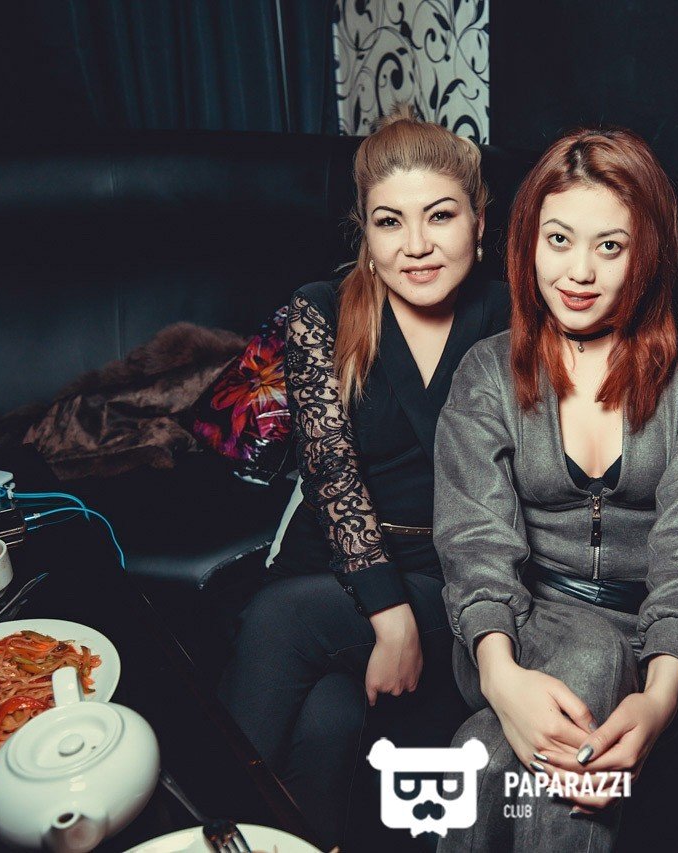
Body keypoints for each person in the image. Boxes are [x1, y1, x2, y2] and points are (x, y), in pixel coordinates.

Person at [433, 127, 678, 852]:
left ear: (649, 251)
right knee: (588, 656)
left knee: (482, 753)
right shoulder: (486, 372)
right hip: (508, 630)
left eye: (610, 246)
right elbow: (476, 543)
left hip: (651, 646)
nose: (578, 271)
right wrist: (500, 677)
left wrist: (659, 698)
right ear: (528, 242)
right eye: (559, 239)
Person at [216, 104, 509, 850]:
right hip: (339, 555)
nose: (416, 245)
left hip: (454, 572)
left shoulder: (513, 317)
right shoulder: (320, 309)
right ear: (366, 237)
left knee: (281, 622)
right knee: (327, 717)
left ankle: (203, 832)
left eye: (440, 216)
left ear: (479, 223)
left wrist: (411, 614)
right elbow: (330, 472)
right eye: (389, 222)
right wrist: (389, 614)